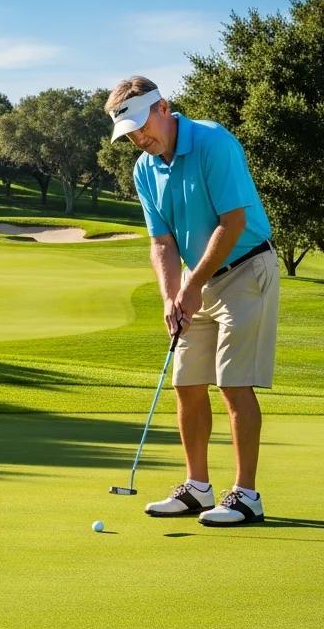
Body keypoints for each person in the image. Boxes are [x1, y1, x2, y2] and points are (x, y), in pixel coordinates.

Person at [104, 76, 280, 525]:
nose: (140, 139)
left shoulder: (213, 142)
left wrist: (192, 283)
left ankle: (246, 495)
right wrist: (170, 295)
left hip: (245, 268)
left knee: (233, 383)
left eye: (143, 126)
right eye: (130, 135)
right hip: (194, 278)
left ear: (163, 108)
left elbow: (233, 222)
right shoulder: (144, 169)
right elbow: (161, 242)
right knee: (186, 381)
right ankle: (197, 488)